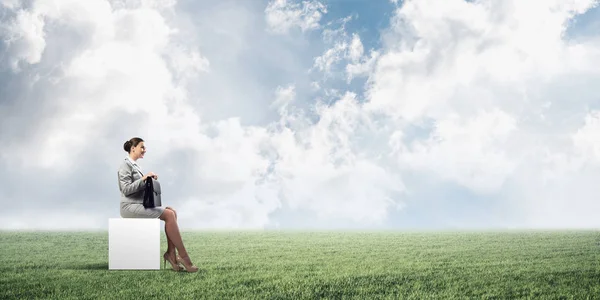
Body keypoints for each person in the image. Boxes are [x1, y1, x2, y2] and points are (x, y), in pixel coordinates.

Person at [118, 137, 198, 272]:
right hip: (129, 207)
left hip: (137, 204)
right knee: (168, 215)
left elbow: (137, 188)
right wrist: (144, 179)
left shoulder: (135, 165)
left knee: (172, 211)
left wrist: (148, 180)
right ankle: (183, 256)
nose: (145, 150)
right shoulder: (125, 165)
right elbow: (125, 190)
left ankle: (171, 255)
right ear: (133, 148)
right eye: (142, 147)